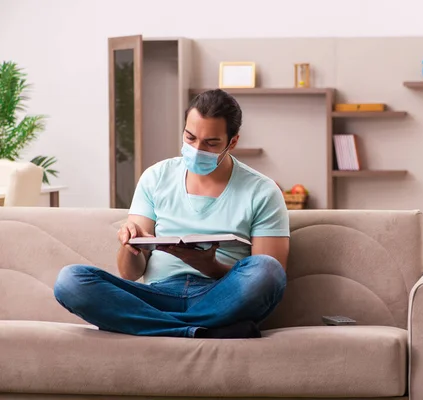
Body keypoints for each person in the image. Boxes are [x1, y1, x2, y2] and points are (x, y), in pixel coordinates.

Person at [54, 89, 290, 339]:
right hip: (157, 296)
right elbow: (130, 273)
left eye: (211, 143)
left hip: (220, 295)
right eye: (190, 138)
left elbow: (271, 276)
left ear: (232, 142)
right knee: (71, 280)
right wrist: (129, 244)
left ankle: (155, 326)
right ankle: (202, 330)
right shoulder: (156, 177)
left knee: (267, 270)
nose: (197, 149)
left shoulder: (263, 191)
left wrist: (210, 266)